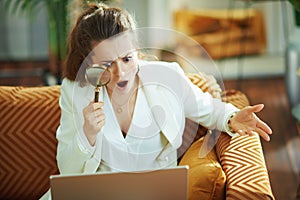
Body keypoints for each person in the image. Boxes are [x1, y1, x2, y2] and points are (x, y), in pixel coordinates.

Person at [41, 2, 272, 199]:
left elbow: (209, 110)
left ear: (137, 50)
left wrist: (232, 117)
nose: (120, 73)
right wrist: (87, 135)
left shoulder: (167, 77)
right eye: (106, 64)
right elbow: (68, 171)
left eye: (127, 59)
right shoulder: (75, 91)